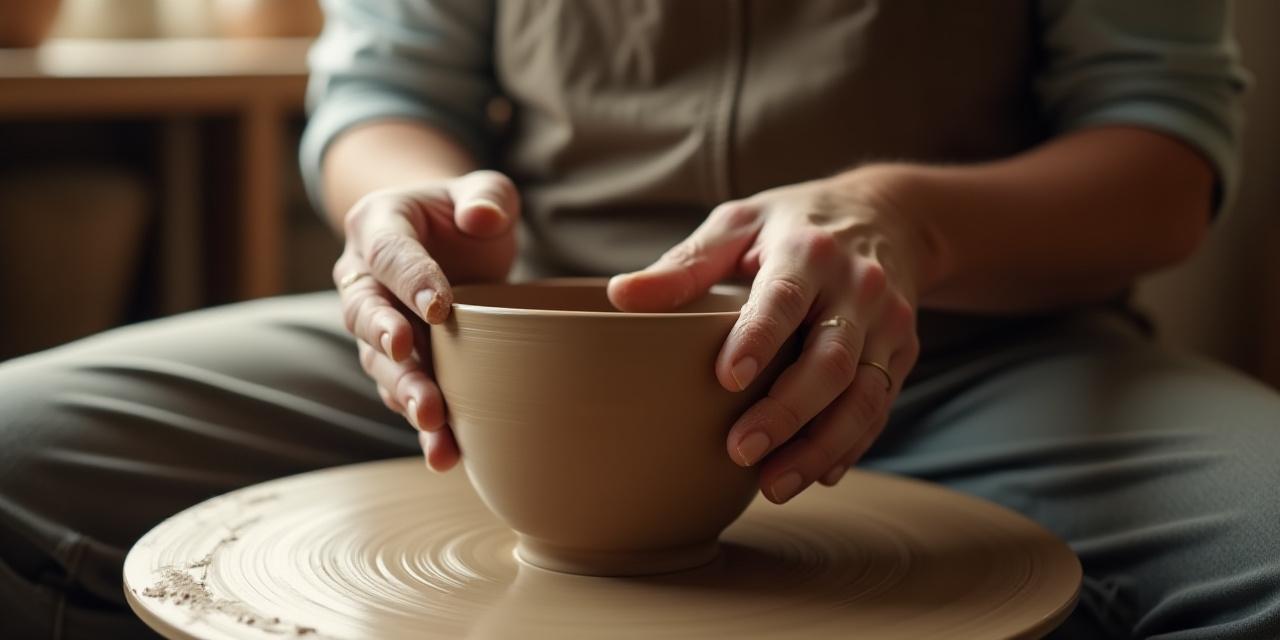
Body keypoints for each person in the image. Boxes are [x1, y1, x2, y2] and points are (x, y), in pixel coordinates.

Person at [1, 1, 1277, 637]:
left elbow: (1162, 157)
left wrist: (904, 220)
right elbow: (385, 90)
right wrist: (404, 208)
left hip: (972, 341)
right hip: (507, 344)